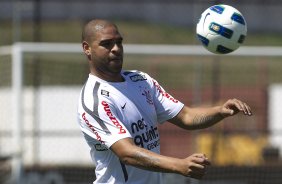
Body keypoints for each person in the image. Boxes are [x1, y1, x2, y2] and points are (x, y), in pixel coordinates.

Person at [77, 19, 252, 184]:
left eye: (119, 42)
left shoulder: (140, 80)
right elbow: (127, 153)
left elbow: (186, 116)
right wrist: (179, 165)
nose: (116, 48)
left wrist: (220, 111)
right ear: (87, 48)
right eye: (106, 44)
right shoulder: (95, 100)